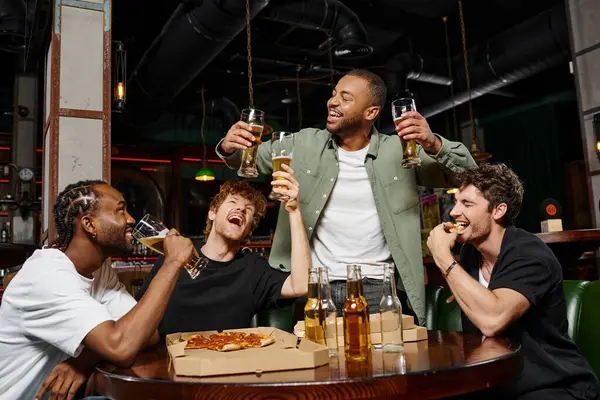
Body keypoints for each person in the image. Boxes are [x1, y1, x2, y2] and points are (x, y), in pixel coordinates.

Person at [216, 69, 476, 323]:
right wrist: (229, 146)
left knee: (381, 366)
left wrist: (434, 144)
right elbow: (246, 160)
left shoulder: (399, 152)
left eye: (346, 97)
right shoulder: (303, 143)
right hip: (315, 287)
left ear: (371, 112)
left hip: (376, 289)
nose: (333, 101)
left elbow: (470, 177)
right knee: (314, 365)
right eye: (334, 94)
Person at [0, 180, 195, 400]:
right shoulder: (48, 276)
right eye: (121, 211)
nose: (131, 219)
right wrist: (172, 263)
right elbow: (122, 347)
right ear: (89, 225)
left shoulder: (99, 269)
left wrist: (84, 361)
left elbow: (147, 335)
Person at [427, 163, 598, 400]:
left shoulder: (530, 255)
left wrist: (444, 259)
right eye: (456, 202)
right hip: (498, 381)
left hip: (552, 384)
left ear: (498, 211)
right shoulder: (470, 254)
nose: (454, 212)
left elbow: (492, 319)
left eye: (467, 204)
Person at [136, 165, 310, 337]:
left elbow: (301, 285)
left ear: (248, 230)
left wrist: (294, 211)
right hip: (168, 359)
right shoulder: (176, 255)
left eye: (248, 209)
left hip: (227, 360)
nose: (241, 209)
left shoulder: (253, 270)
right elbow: (138, 317)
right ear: (212, 213)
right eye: (233, 202)